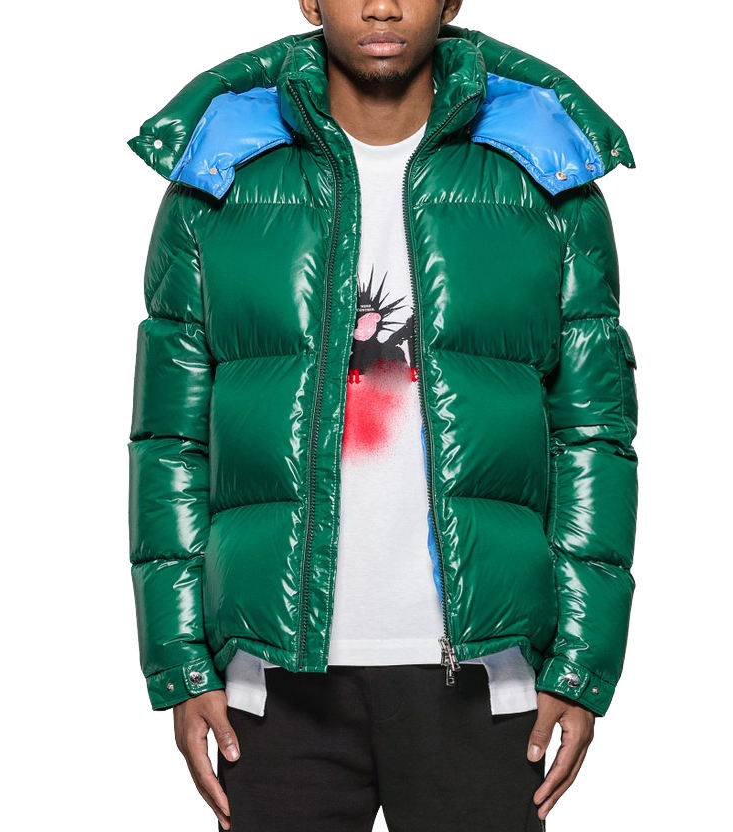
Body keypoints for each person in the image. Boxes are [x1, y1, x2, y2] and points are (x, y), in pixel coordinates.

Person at [126, 1, 639, 829]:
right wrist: (182, 664)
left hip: (485, 676)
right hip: (273, 678)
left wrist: (580, 664)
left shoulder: (544, 175)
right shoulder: (220, 176)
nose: (382, 5)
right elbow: (170, 443)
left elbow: (593, 436)